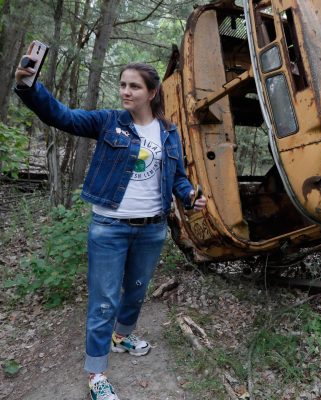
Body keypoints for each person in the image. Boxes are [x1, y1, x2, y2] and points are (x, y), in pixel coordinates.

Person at [14, 59, 206, 400]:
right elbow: (63, 116)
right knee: (104, 302)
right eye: (122, 85)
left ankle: (123, 337)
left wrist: (189, 195)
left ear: (152, 92)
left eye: (134, 86)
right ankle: (97, 373)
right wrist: (30, 86)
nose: (125, 92)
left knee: (135, 290)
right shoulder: (108, 122)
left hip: (152, 228)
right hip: (110, 227)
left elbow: (177, 177)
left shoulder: (168, 132)